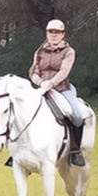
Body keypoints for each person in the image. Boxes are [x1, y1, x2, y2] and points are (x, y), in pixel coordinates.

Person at [29, 19, 85, 167]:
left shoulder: (69, 52)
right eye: (51, 32)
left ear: (63, 34)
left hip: (62, 89)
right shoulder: (39, 51)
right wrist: (41, 83)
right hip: (41, 88)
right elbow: (34, 71)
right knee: (18, 111)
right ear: (46, 33)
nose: (54, 35)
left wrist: (51, 83)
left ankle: (75, 151)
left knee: (77, 116)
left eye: (57, 32)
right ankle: (17, 151)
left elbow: (64, 72)